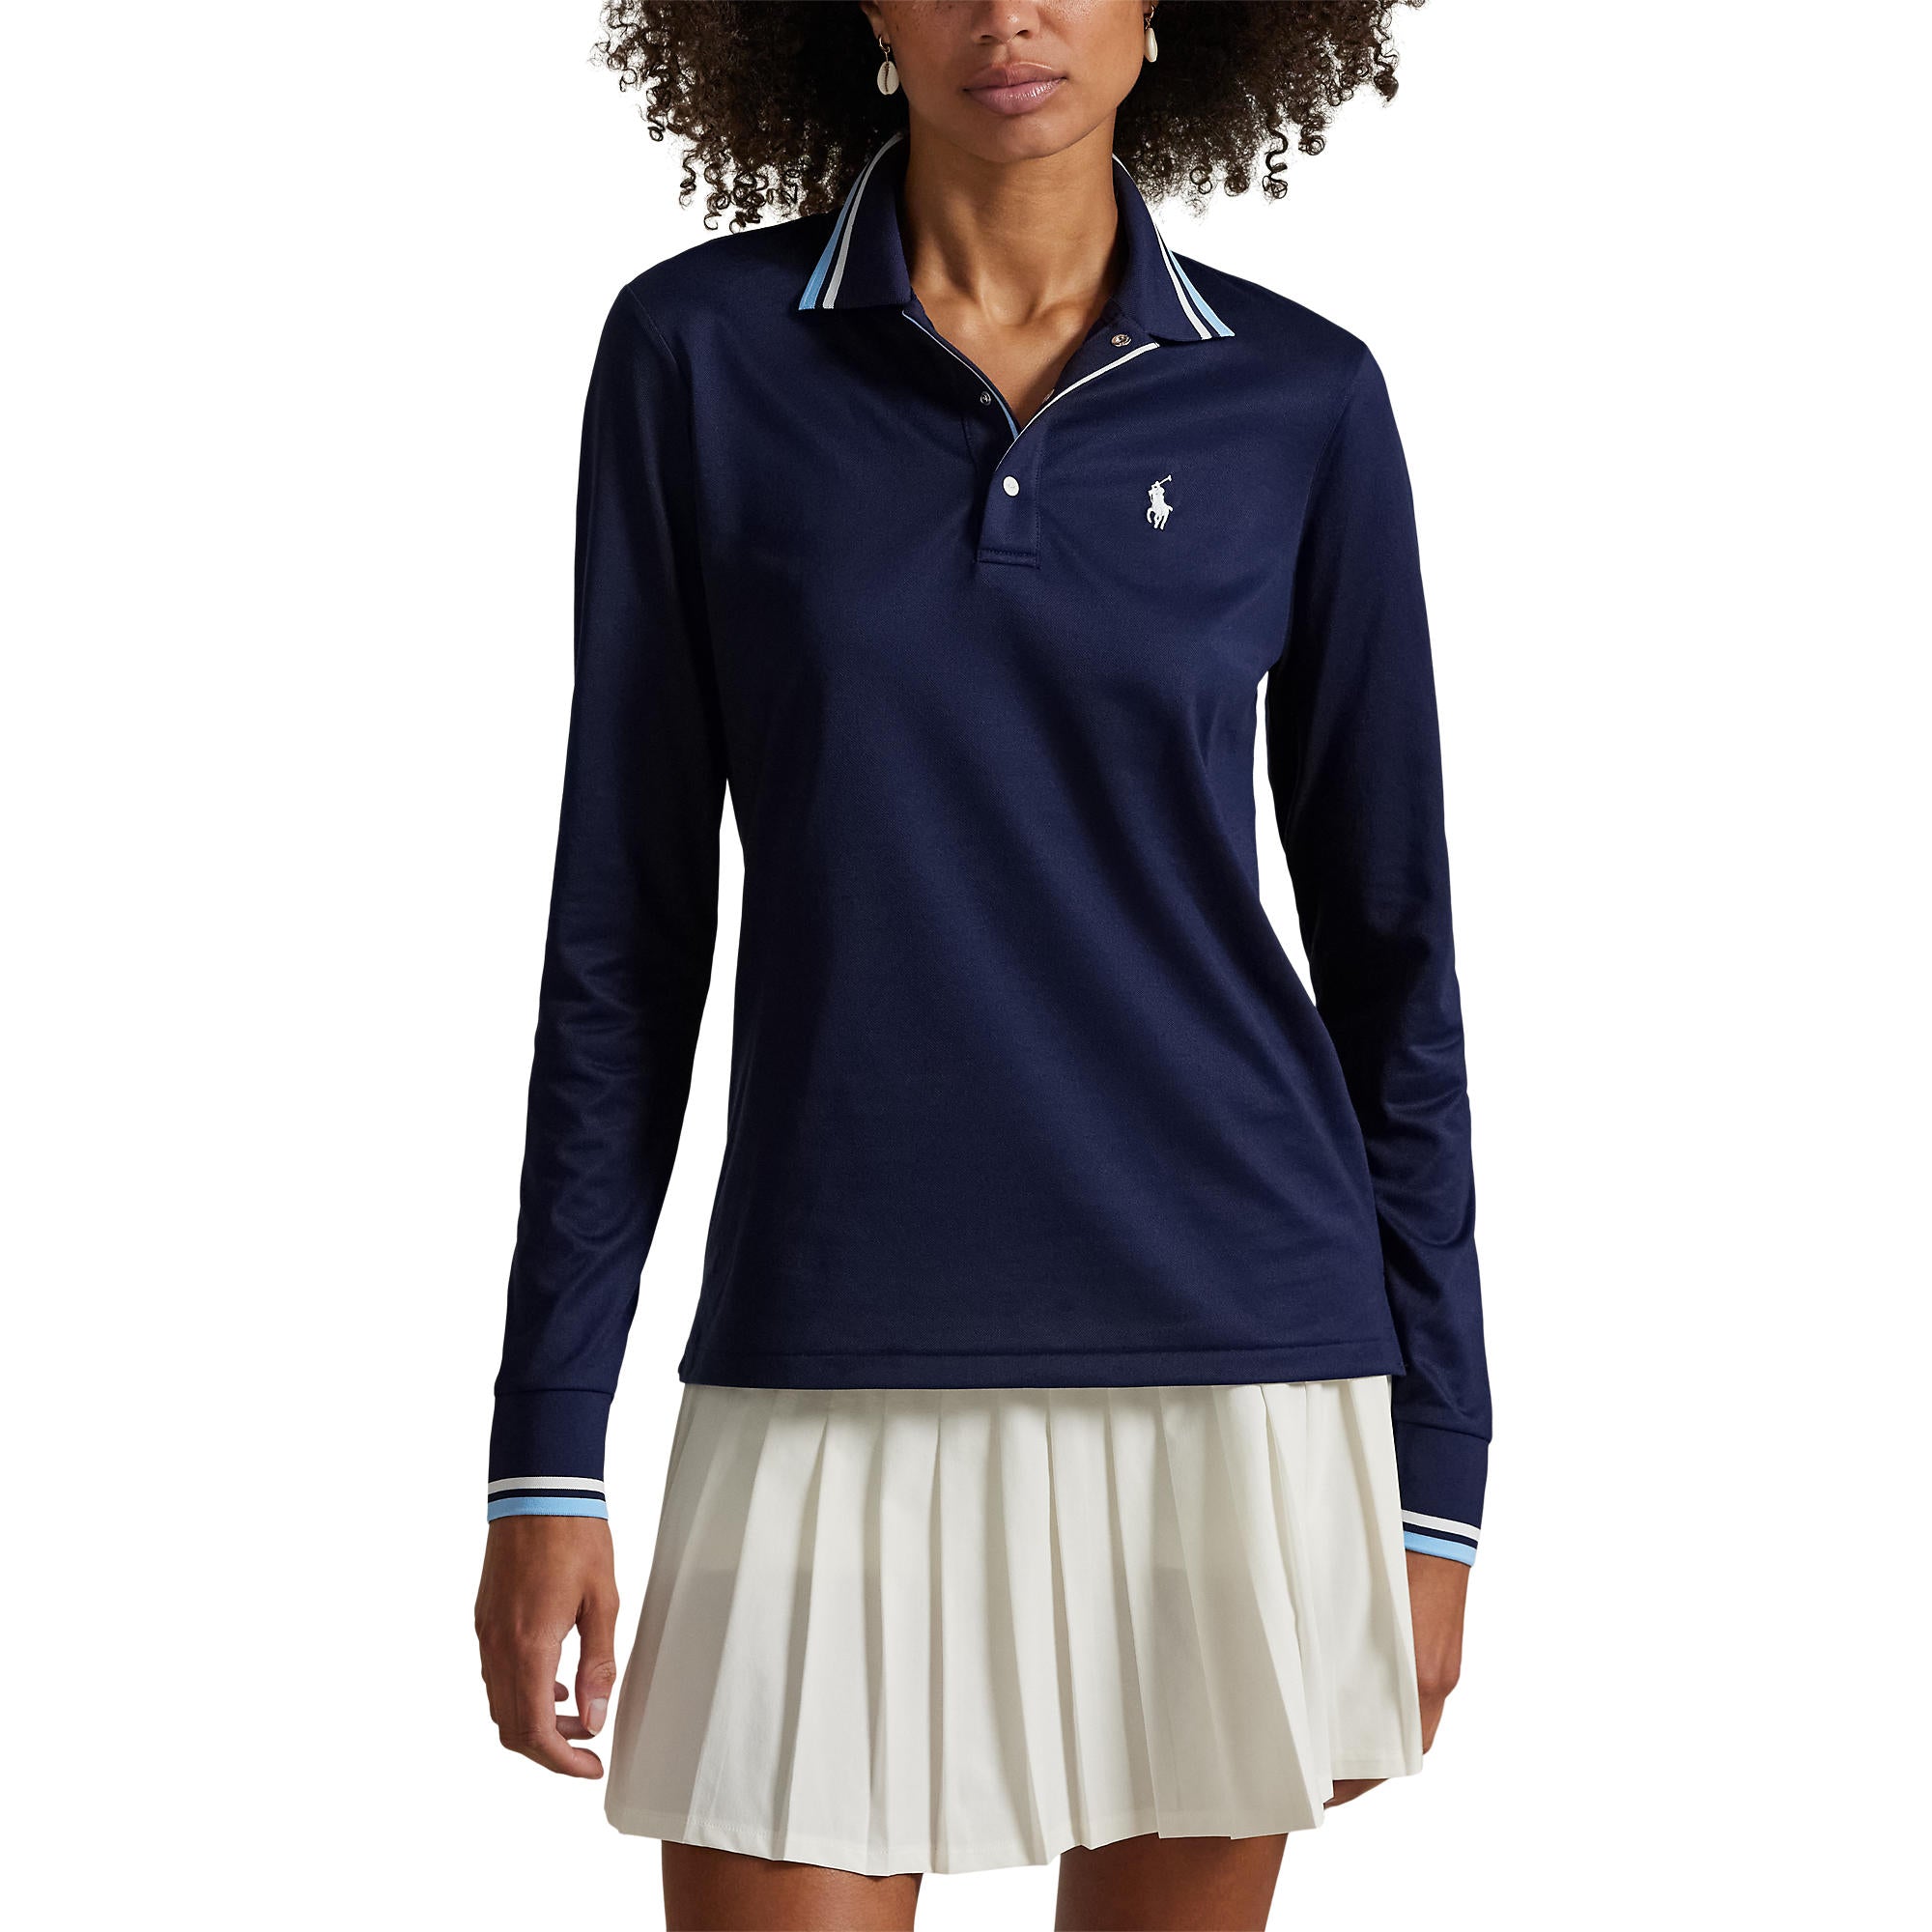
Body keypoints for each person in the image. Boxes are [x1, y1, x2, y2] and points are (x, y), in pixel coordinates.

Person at [473, 5, 1490, 1927]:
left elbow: (1394, 967)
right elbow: (622, 938)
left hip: (1233, 1361)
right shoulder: (698, 357)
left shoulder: (1300, 398)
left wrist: (1440, 1465)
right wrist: (546, 1452)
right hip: (824, 1340)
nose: (1007, 11)